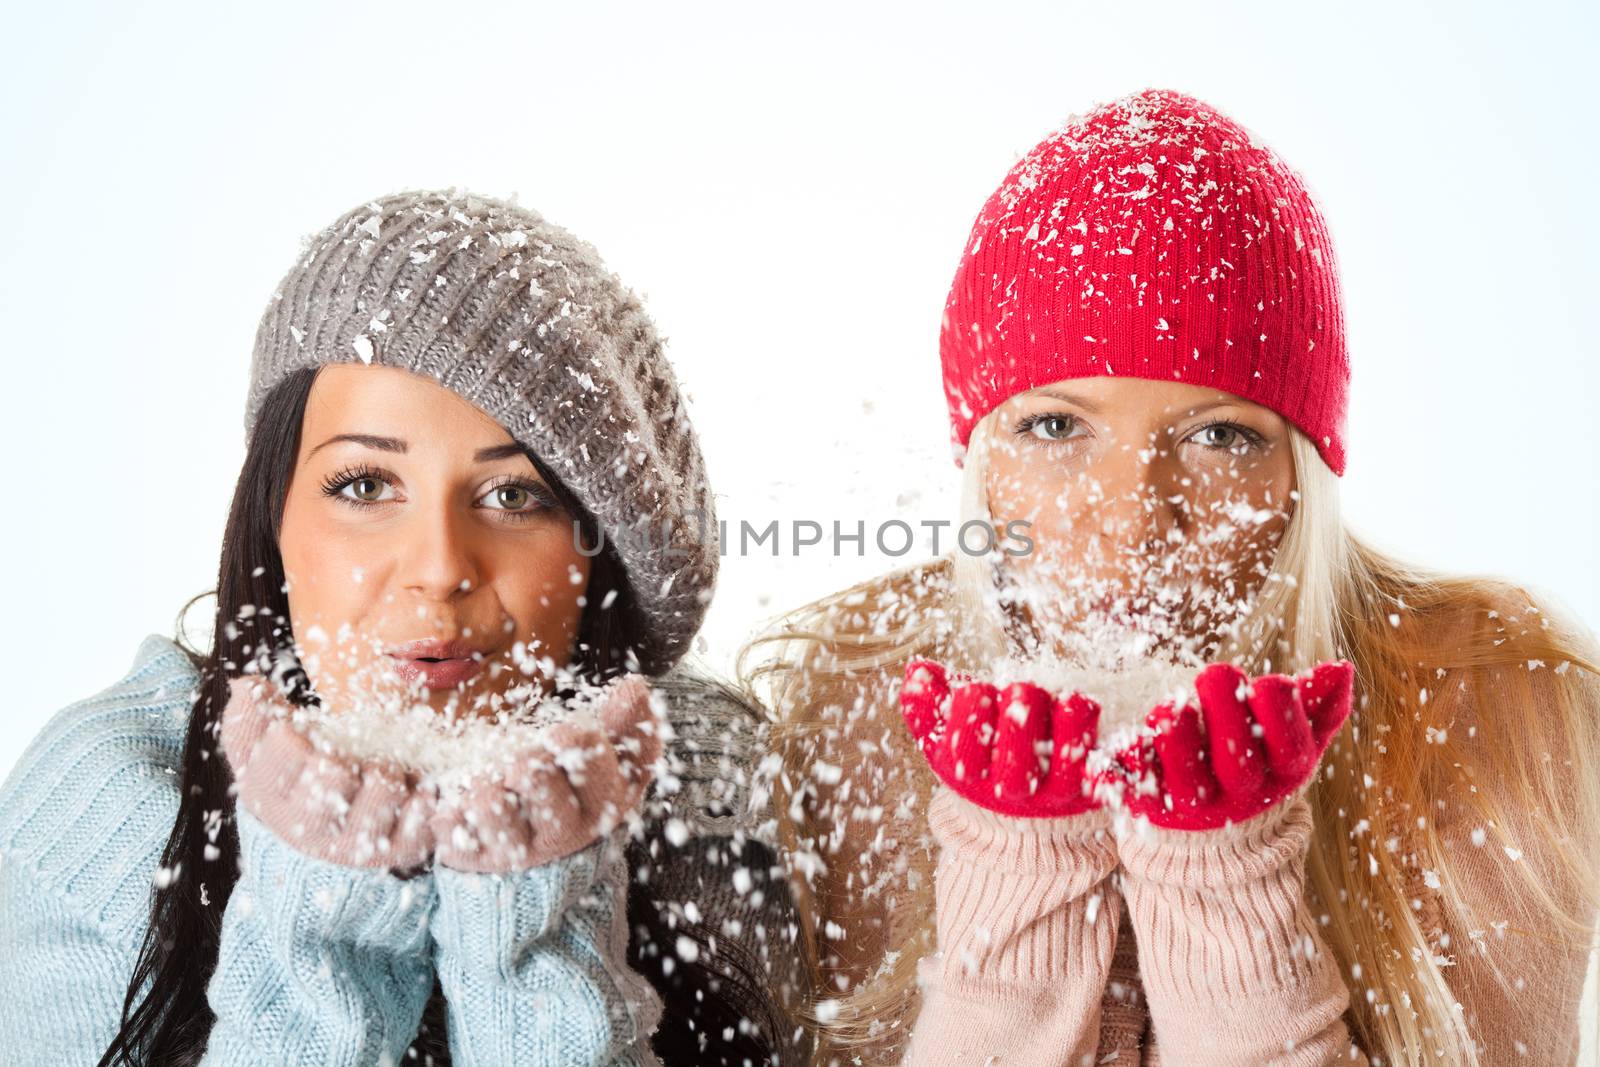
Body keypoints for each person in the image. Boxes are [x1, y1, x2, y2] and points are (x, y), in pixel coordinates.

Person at [738, 88, 1600, 1065]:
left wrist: (1226, 899)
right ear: (978, 453)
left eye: (1218, 435)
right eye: (1055, 426)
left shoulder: (1497, 701)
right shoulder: (867, 690)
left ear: (1299, 472)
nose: (1132, 522)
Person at [0, 189, 809, 1066]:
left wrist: (528, 899)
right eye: (363, 485)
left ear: (598, 563)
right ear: (274, 521)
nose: (437, 566)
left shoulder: (717, 802)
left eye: (514, 495)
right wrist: (328, 893)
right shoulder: (106, 800)